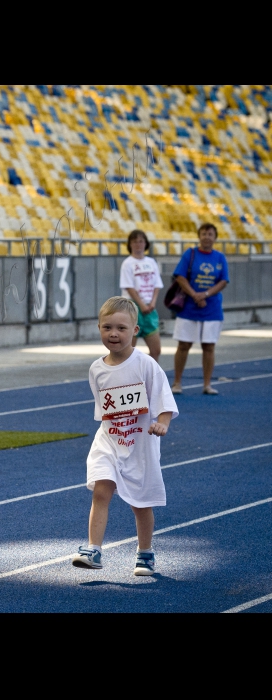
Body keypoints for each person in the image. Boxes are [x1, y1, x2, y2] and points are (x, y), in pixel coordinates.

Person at [72, 297, 178, 576]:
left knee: (140, 503)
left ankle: (145, 553)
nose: (114, 334)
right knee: (101, 490)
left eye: (121, 328)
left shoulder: (146, 366)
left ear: (135, 330)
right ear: (98, 328)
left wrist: (163, 423)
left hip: (140, 444)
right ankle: (94, 549)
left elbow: (163, 401)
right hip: (108, 440)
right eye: (107, 327)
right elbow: (105, 410)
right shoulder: (96, 369)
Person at [171, 223, 229, 395]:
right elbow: (180, 276)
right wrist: (195, 295)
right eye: (203, 233)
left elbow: (223, 281)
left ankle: (207, 384)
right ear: (199, 236)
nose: (206, 237)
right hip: (189, 308)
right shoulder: (190, 254)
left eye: (210, 234)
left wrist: (206, 294)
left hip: (212, 309)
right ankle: (177, 382)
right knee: (183, 345)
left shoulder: (220, 257)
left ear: (215, 237)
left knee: (209, 347)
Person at [120, 229, 164, 363]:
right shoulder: (128, 263)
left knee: (156, 350)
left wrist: (152, 303)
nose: (138, 245)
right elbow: (129, 286)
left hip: (150, 309)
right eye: (135, 242)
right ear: (130, 244)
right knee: (128, 351)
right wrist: (141, 304)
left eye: (141, 241)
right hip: (133, 309)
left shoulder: (151, 262)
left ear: (146, 243)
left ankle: (152, 377)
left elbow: (157, 284)